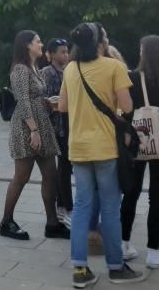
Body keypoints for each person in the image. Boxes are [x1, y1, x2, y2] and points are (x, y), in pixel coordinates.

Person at [58, 22, 142, 287]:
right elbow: (127, 106)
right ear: (100, 43)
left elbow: (62, 105)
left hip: (78, 147)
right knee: (110, 207)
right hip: (105, 146)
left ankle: (80, 270)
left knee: (82, 207)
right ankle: (116, 267)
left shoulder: (71, 68)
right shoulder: (114, 67)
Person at [120, 36, 159, 269]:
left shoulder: (133, 79)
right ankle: (154, 252)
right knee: (157, 198)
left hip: (138, 141)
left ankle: (124, 244)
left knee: (131, 193)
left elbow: (125, 112)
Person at [0, 31, 69, 240]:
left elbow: (34, 97)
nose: (41, 45)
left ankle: (52, 223)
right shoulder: (20, 69)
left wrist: (48, 102)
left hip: (41, 126)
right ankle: (6, 222)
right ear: (27, 46)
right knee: (21, 177)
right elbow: (23, 102)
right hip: (27, 129)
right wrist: (34, 130)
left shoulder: (34, 68)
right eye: (38, 42)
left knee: (51, 175)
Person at [41, 38, 72, 224]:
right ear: (51, 54)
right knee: (57, 171)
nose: (65, 55)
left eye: (66, 51)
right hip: (54, 128)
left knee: (66, 168)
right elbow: (41, 100)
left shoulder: (70, 71)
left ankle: (64, 206)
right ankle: (62, 208)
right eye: (61, 51)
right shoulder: (46, 73)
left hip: (69, 126)